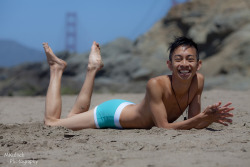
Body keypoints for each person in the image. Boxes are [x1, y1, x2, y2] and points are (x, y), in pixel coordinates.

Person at [42, 37, 234, 131]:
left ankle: (92, 68)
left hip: (129, 108)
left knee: (73, 117)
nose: (184, 64)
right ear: (169, 64)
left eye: (190, 59)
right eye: (179, 59)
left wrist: (205, 118)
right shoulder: (155, 85)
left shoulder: (198, 81)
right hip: (112, 114)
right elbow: (164, 128)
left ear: (198, 64)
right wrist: (203, 118)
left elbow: (192, 122)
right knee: (52, 124)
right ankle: (56, 69)